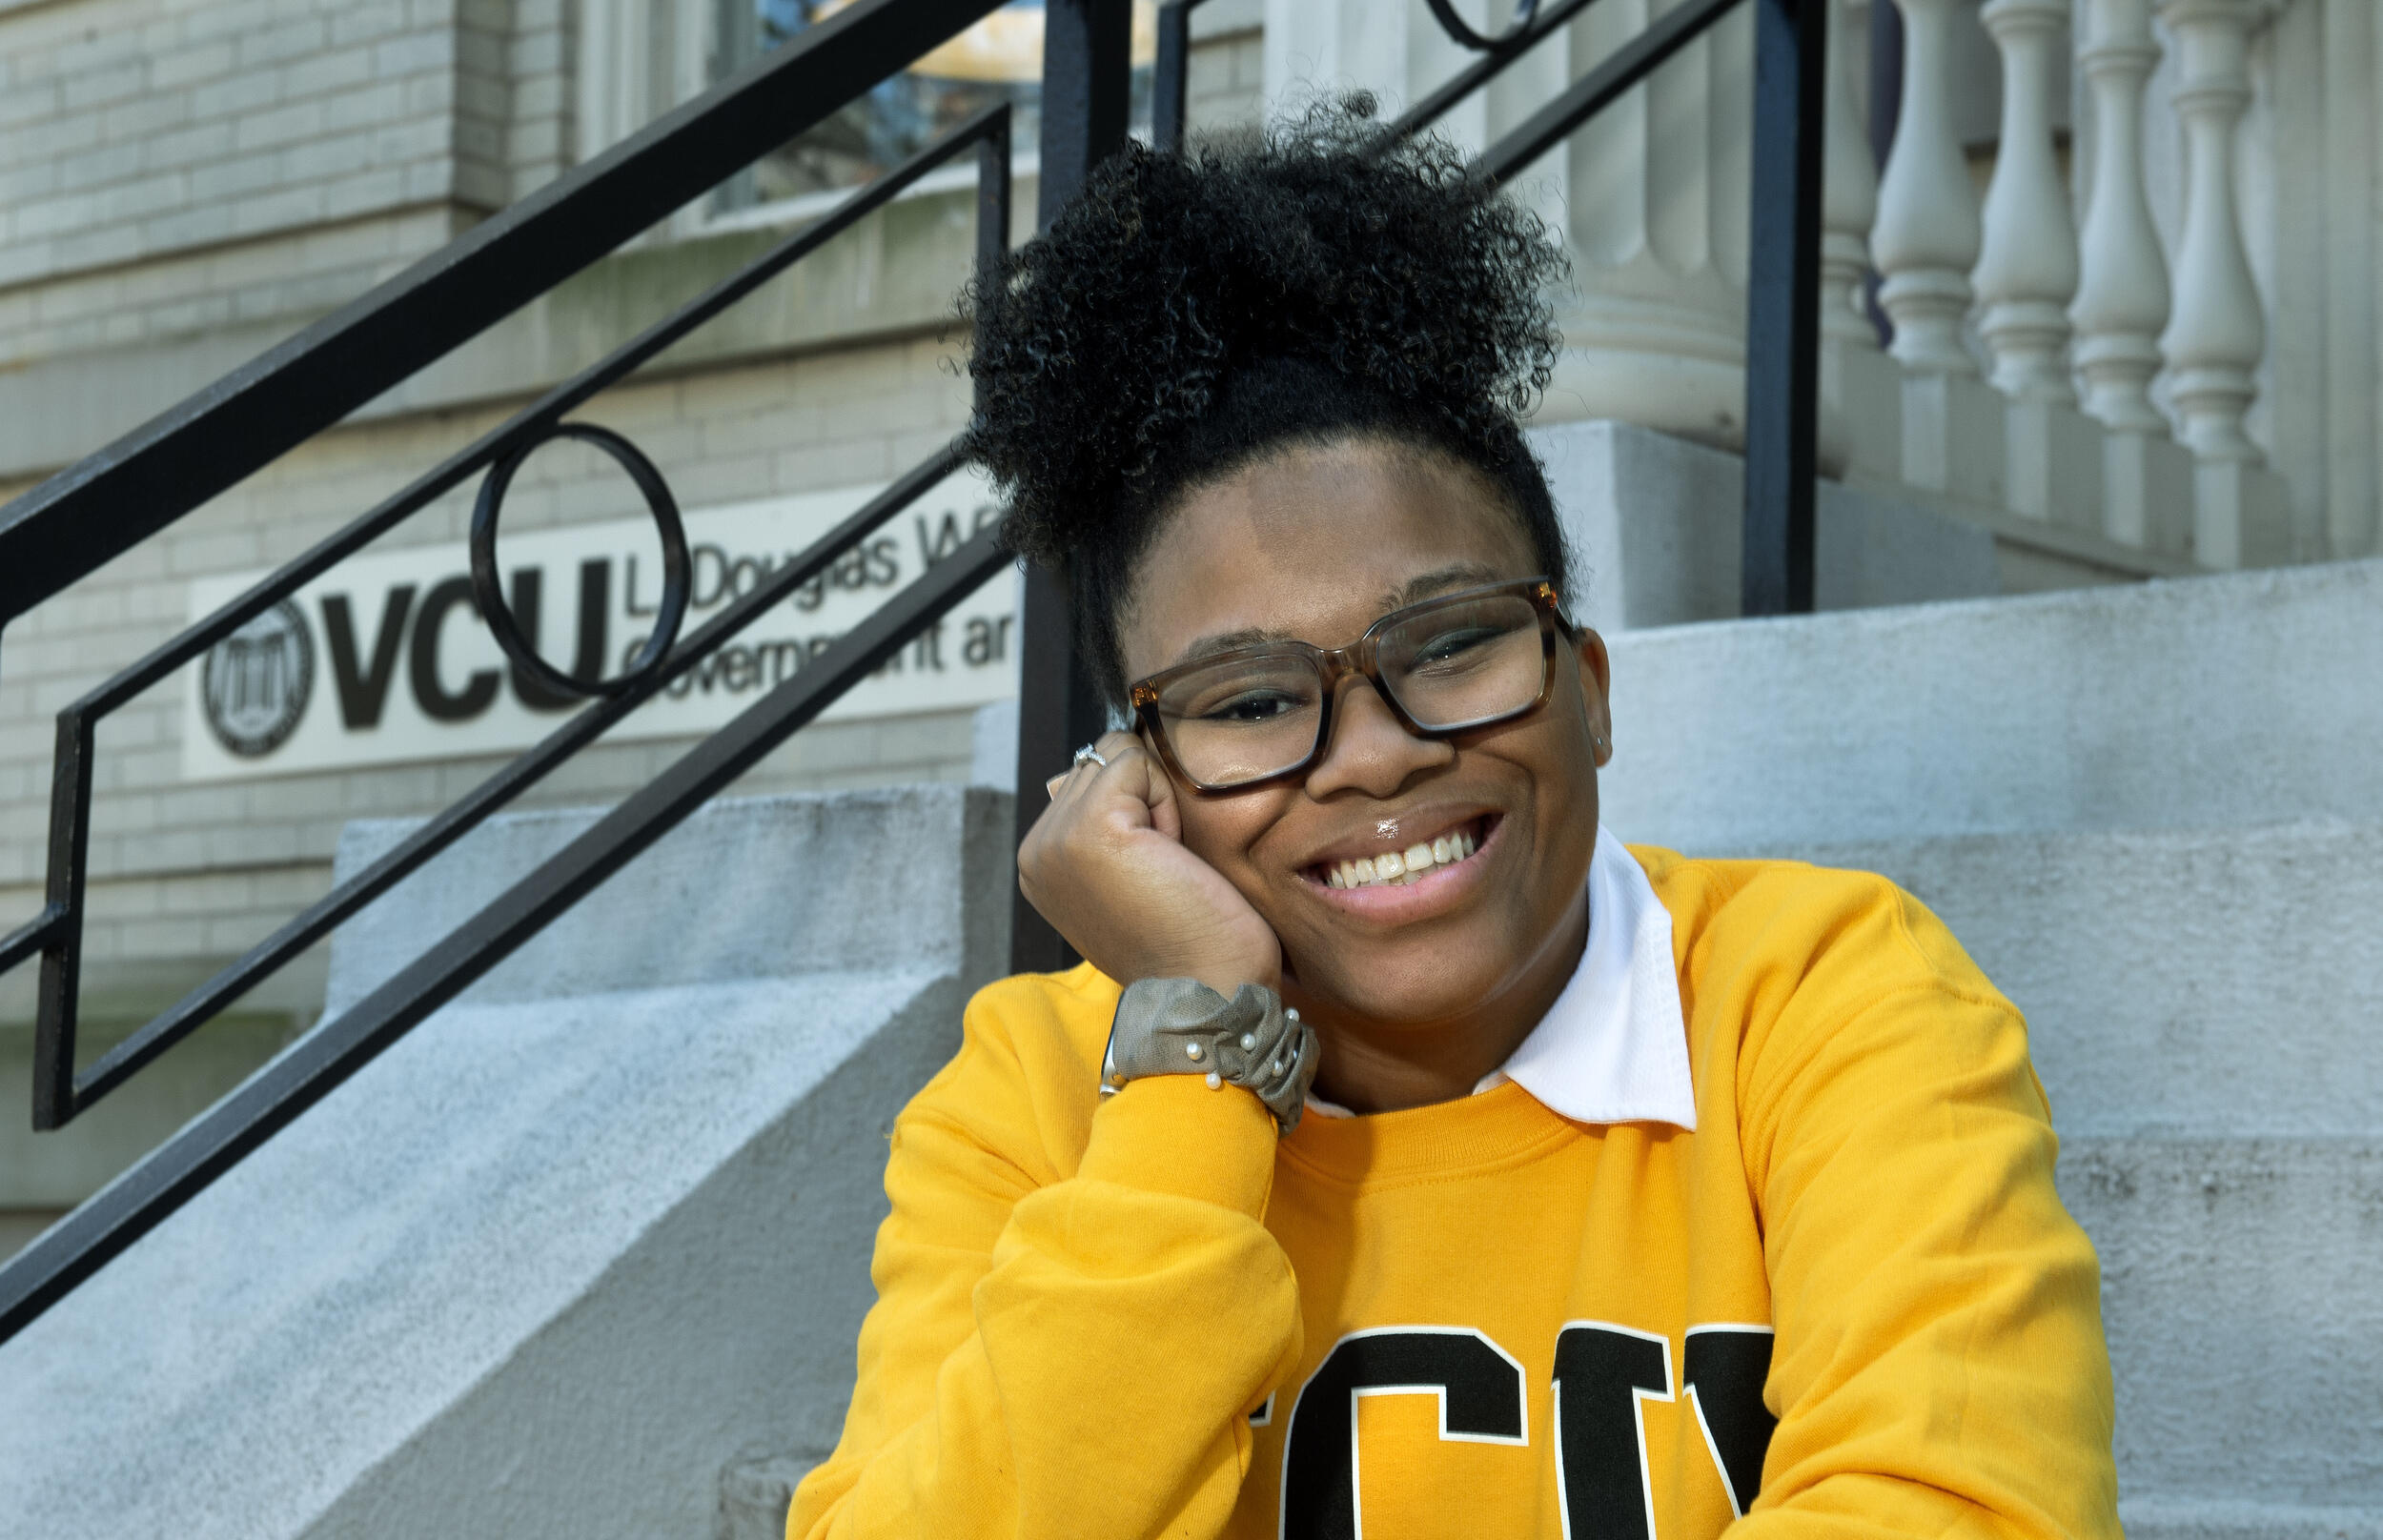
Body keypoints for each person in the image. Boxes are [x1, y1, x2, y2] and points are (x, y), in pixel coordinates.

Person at [787, 103, 2120, 1540]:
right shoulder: (1044, 1090)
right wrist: (1193, 1058)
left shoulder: (1818, 996)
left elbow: (1963, 1508)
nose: (1367, 758)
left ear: (1587, 689)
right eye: (1247, 702)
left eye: (1448, 646)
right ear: (1140, 788)